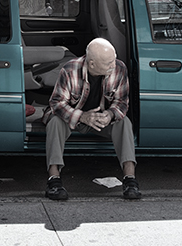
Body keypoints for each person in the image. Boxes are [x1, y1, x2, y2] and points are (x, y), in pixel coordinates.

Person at [42, 37, 141, 201]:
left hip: (101, 119)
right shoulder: (69, 70)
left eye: (113, 60)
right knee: (54, 122)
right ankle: (54, 180)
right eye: (108, 63)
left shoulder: (119, 68)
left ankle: (130, 180)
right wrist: (82, 116)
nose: (113, 65)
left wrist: (109, 115)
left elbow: (122, 103)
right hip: (74, 119)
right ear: (92, 64)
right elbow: (56, 104)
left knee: (124, 122)